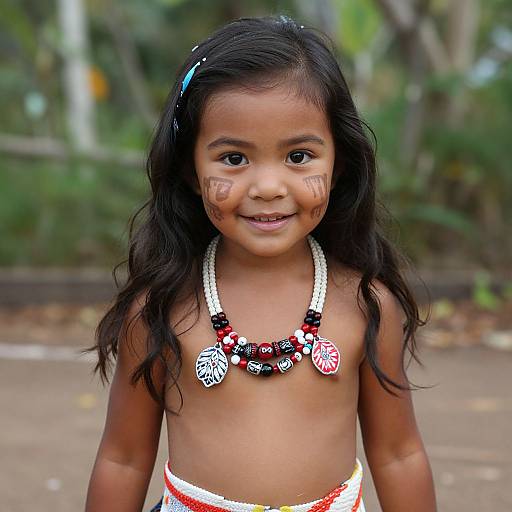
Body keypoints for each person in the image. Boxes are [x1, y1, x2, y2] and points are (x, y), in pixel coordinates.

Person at [84, 14, 437, 512]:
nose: (268, 187)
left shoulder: (366, 305)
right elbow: (122, 458)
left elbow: (399, 454)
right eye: (233, 158)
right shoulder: (161, 310)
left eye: (298, 156)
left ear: (338, 164)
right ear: (190, 168)